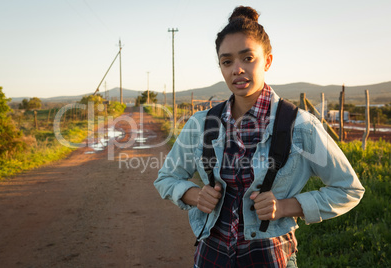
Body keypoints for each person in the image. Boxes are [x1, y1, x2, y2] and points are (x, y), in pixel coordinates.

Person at [154, 6, 364, 268]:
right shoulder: (201, 124)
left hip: (271, 257)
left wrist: (286, 206)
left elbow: (348, 189)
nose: (237, 69)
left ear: (268, 61)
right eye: (227, 61)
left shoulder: (301, 126)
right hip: (211, 256)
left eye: (248, 58)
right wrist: (194, 195)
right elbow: (166, 178)